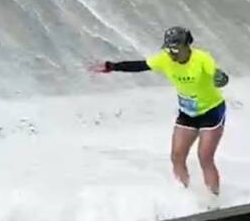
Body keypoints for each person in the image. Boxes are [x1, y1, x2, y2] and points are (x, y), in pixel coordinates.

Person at [90, 26, 229, 196]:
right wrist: (112, 66)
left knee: (205, 157)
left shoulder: (202, 59)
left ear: (187, 45)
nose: (172, 53)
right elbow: (141, 65)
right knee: (177, 156)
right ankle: (184, 197)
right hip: (188, 113)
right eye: (169, 48)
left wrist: (220, 78)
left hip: (211, 111)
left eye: (176, 48)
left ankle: (214, 202)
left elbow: (218, 77)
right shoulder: (165, 59)